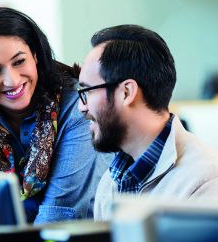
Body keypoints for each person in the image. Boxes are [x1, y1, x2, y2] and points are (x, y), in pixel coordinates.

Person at [0, 7, 112, 224]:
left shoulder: (77, 108)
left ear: (35, 55)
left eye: (19, 62)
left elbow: (58, 215)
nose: (12, 81)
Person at [77, 24, 218, 221]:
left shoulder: (205, 181)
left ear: (126, 92)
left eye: (88, 91)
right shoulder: (110, 182)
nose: (81, 107)